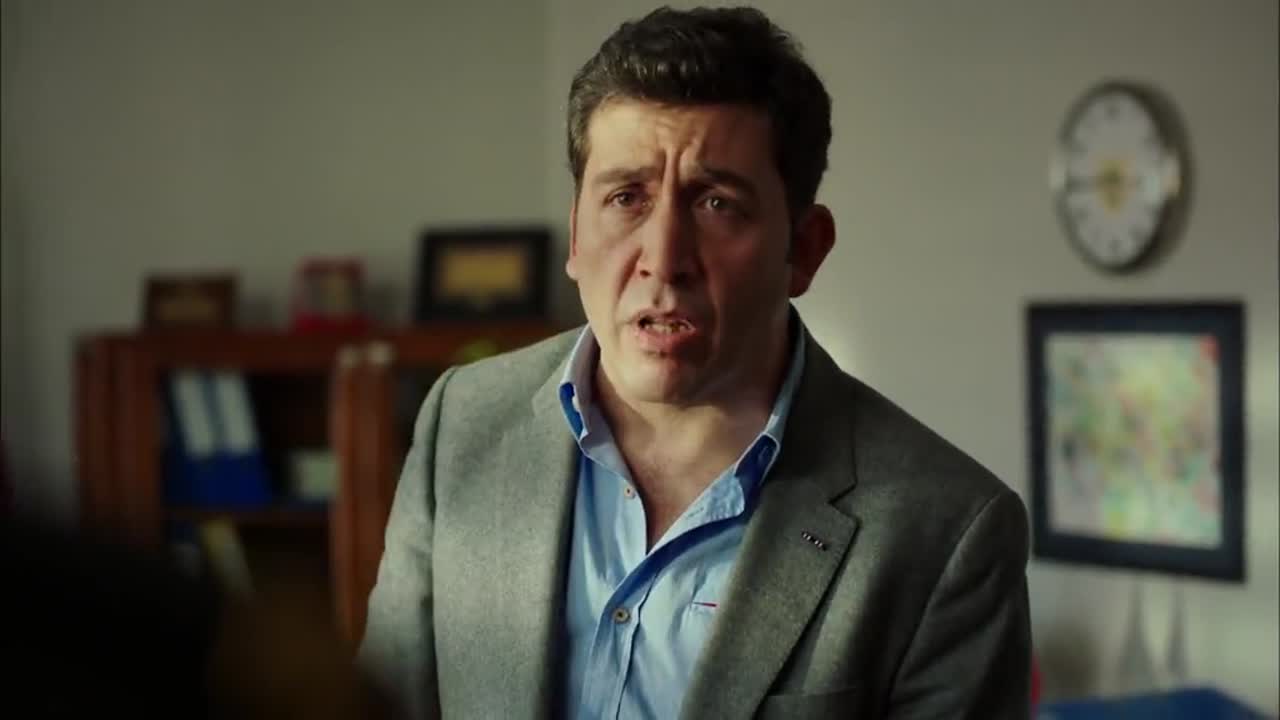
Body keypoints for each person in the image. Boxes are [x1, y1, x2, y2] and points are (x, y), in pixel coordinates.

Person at [359, 6, 1031, 719]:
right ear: (577, 236)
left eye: (716, 203)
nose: (663, 259)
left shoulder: (947, 530)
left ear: (804, 250)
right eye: (626, 197)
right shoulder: (463, 423)